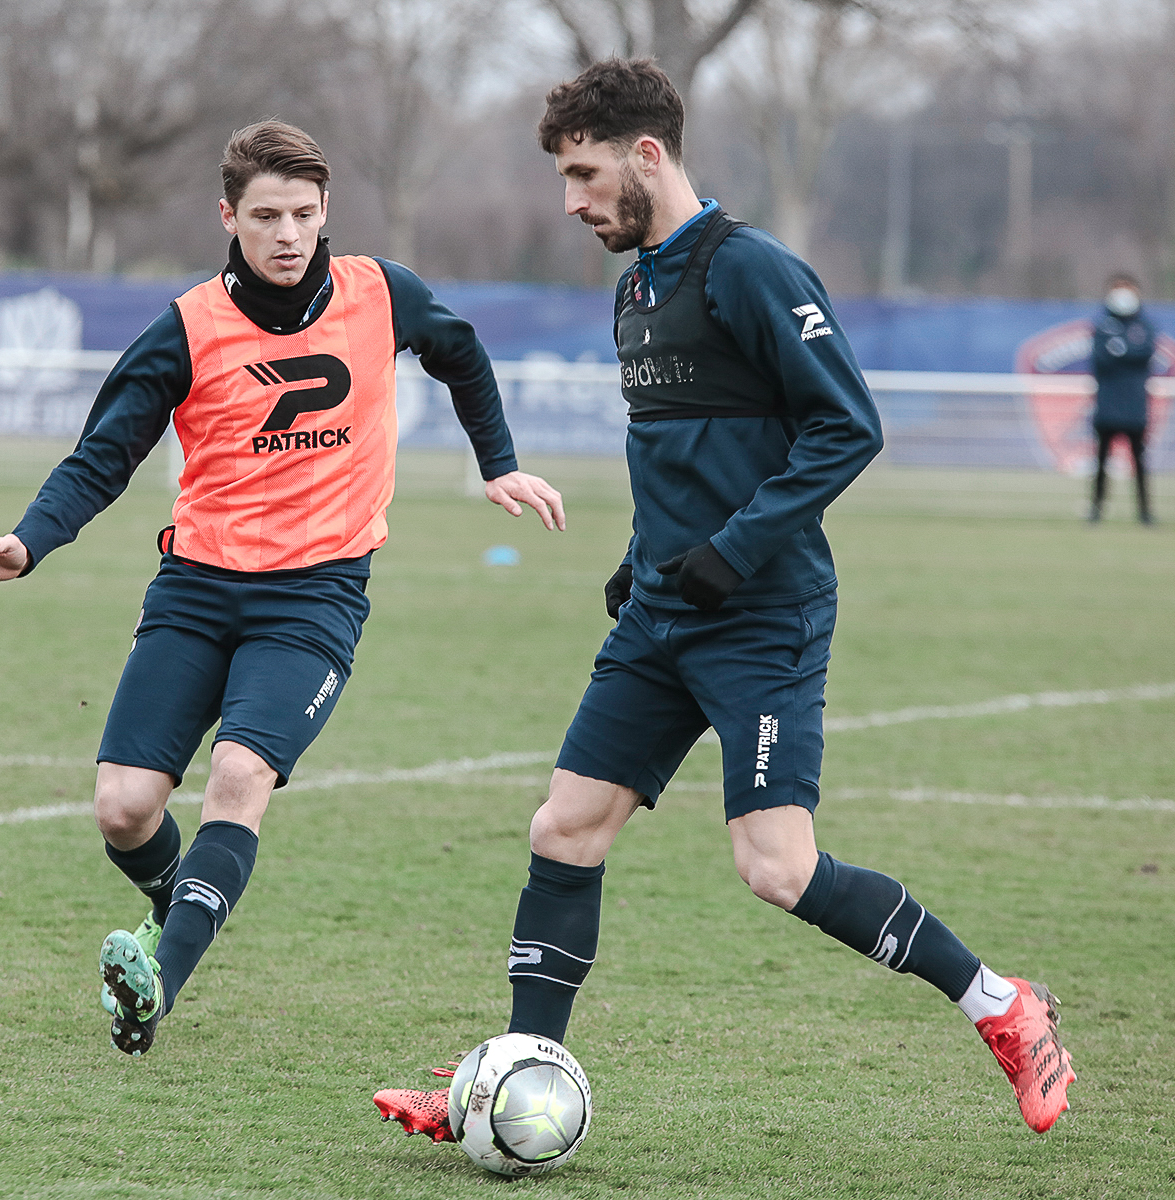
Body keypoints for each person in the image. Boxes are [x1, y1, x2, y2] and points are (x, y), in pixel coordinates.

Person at [373, 59, 1073, 1141]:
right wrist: (644, 554)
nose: (572, 200)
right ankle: (512, 1075)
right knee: (564, 829)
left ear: (646, 154)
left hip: (762, 615)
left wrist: (732, 553)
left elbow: (848, 426)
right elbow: (686, 449)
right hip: (661, 609)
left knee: (775, 869)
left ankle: (1005, 1005)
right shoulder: (634, 287)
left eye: (584, 171)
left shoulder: (749, 269)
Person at [0, 120, 564, 1058]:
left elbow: (463, 353)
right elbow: (102, 458)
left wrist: (499, 463)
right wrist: (27, 543)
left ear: (328, 215)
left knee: (240, 777)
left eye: (307, 215)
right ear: (228, 216)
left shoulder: (379, 294)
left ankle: (157, 984)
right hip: (197, 589)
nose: (289, 235)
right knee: (123, 808)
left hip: (315, 598)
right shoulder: (188, 327)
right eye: (268, 215)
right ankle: (182, 904)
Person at [1089, 273, 1157, 525]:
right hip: (1106, 406)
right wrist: (1125, 352)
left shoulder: (1145, 326)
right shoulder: (1102, 325)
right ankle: (1096, 510)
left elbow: (1144, 355)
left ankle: (1145, 512)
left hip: (1135, 407)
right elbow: (1101, 360)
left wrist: (1121, 350)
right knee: (1101, 462)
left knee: (1139, 463)